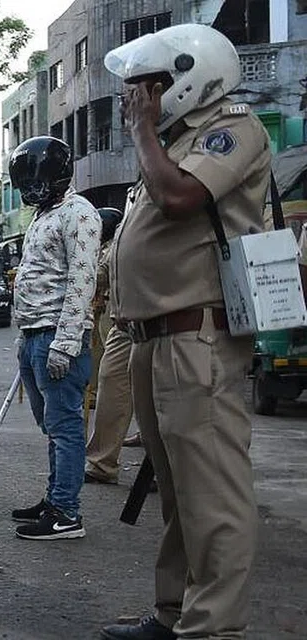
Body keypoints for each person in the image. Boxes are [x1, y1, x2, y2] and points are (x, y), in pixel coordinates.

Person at [99, 24, 272, 640]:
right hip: (154, 340)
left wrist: (144, 132)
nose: (136, 100)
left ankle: (213, 627)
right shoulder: (176, 141)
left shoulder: (231, 130)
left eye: (147, 87)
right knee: (177, 492)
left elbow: (177, 200)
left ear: (188, 76)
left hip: (196, 337)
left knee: (213, 497)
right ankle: (174, 613)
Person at [8, 135, 100, 541]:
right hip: (34, 335)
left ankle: (66, 513)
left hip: (57, 336)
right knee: (51, 425)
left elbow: (82, 278)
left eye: (34, 176)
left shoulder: (78, 212)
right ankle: (55, 498)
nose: (30, 186)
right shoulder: (45, 214)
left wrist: (66, 341)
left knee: (64, 426)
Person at [84, 208, 135, 485]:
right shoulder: (120, 235)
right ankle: (102, 463)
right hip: (123, 321)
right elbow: (103, 272)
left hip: (160, 318)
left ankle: (165, 468)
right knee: (110, 382)